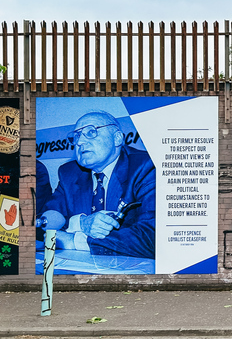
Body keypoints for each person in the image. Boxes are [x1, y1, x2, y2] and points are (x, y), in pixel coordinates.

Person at [40, 111, 156, 259]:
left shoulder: (146, 166)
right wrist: (81, 223)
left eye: (90, 132)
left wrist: (76, 241)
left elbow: (153, 238)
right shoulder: (69, 173)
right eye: (76, 136)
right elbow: (45, 223)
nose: (80, 142)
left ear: (117, 138)